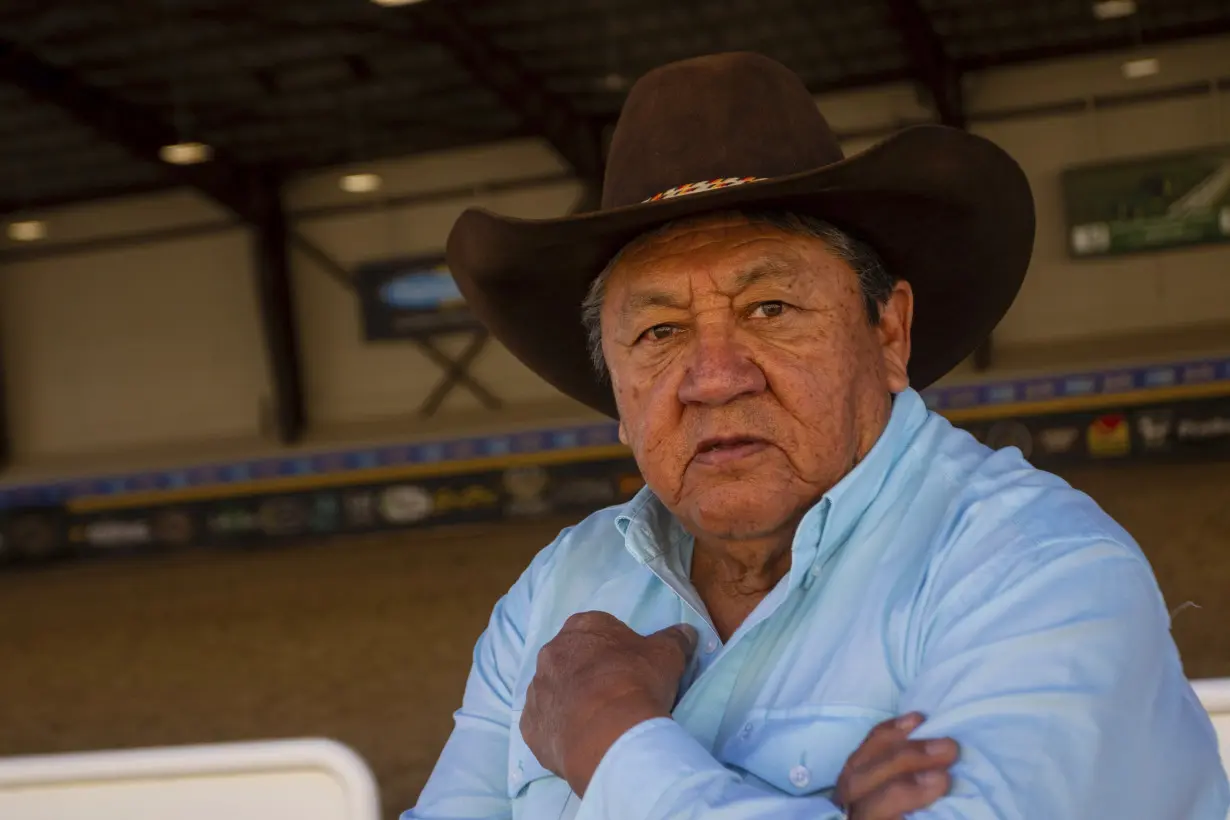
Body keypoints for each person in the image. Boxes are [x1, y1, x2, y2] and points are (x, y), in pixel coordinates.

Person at [405, 52, 1229, 820]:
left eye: (771, 310)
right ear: (615, 392)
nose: (715, 378)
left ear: (889, 336)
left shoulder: (1038, 568)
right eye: (659, 331)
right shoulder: (556, 591)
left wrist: (609, 740)